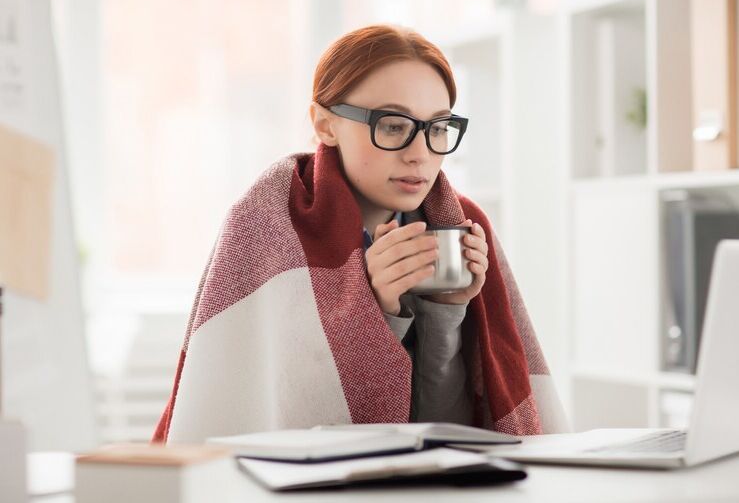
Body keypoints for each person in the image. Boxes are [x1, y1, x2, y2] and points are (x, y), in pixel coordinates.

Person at [153, 24, 567, 444]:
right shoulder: (265, 227)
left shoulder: (462, 224)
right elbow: (293, 427)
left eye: (438, 128)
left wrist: (446, 310)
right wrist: (375, 313)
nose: (419, 153)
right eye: (392, 125)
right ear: (325, 124)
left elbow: (449, 433)